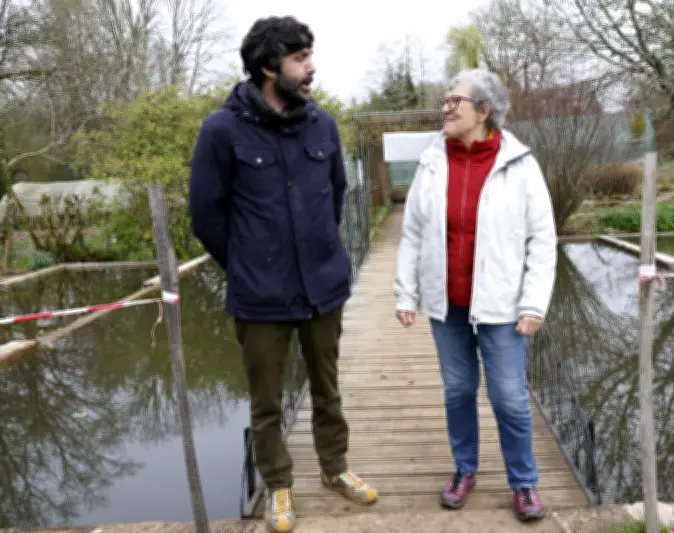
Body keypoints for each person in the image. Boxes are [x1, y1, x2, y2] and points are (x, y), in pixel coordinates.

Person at [188, 16, 377, 533]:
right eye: (300, 58)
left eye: (310, 55)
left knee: (328, 390)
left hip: (323, 287)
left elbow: (336, 195)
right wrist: (250, 266)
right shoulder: (221, 131)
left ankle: (336, 469)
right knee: (267, 402)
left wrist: (318, 254)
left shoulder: (323, 125)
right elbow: (207, 216)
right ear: (270, 66)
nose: (311, 68)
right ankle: (279, 487)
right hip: (260, 297)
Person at [394, 68, 557, 522]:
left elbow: (542, 241)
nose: (445, 108)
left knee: (509, 397)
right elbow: (412, 234)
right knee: (458, 391)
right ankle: (465, 469)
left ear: (483, 111)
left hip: (502, 307)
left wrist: (533, 304)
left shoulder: (520, 164)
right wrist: (406, 294)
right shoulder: (432, 161)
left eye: (455, 102)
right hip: (447, 304)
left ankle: (524, 483)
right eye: (445, 101)